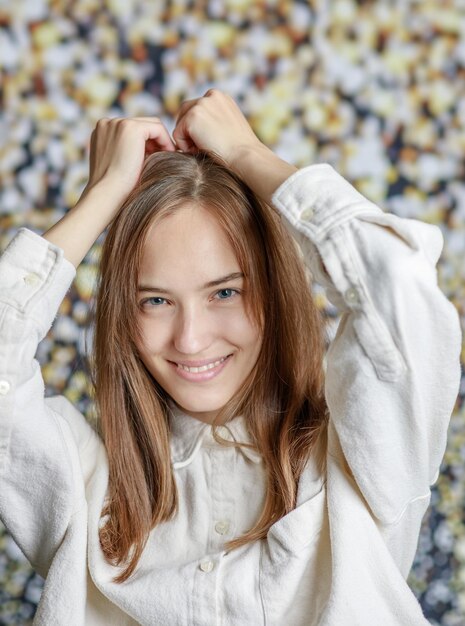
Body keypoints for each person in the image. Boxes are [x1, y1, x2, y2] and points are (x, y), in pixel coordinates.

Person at [0, 89, 461, 626]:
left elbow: (398, 281)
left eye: (225, 292)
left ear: (271, 291)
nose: (191, 340)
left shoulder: (361, 457)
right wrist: (100, 197)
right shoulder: (82, 490)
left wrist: (248, 155)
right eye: (155, 301)